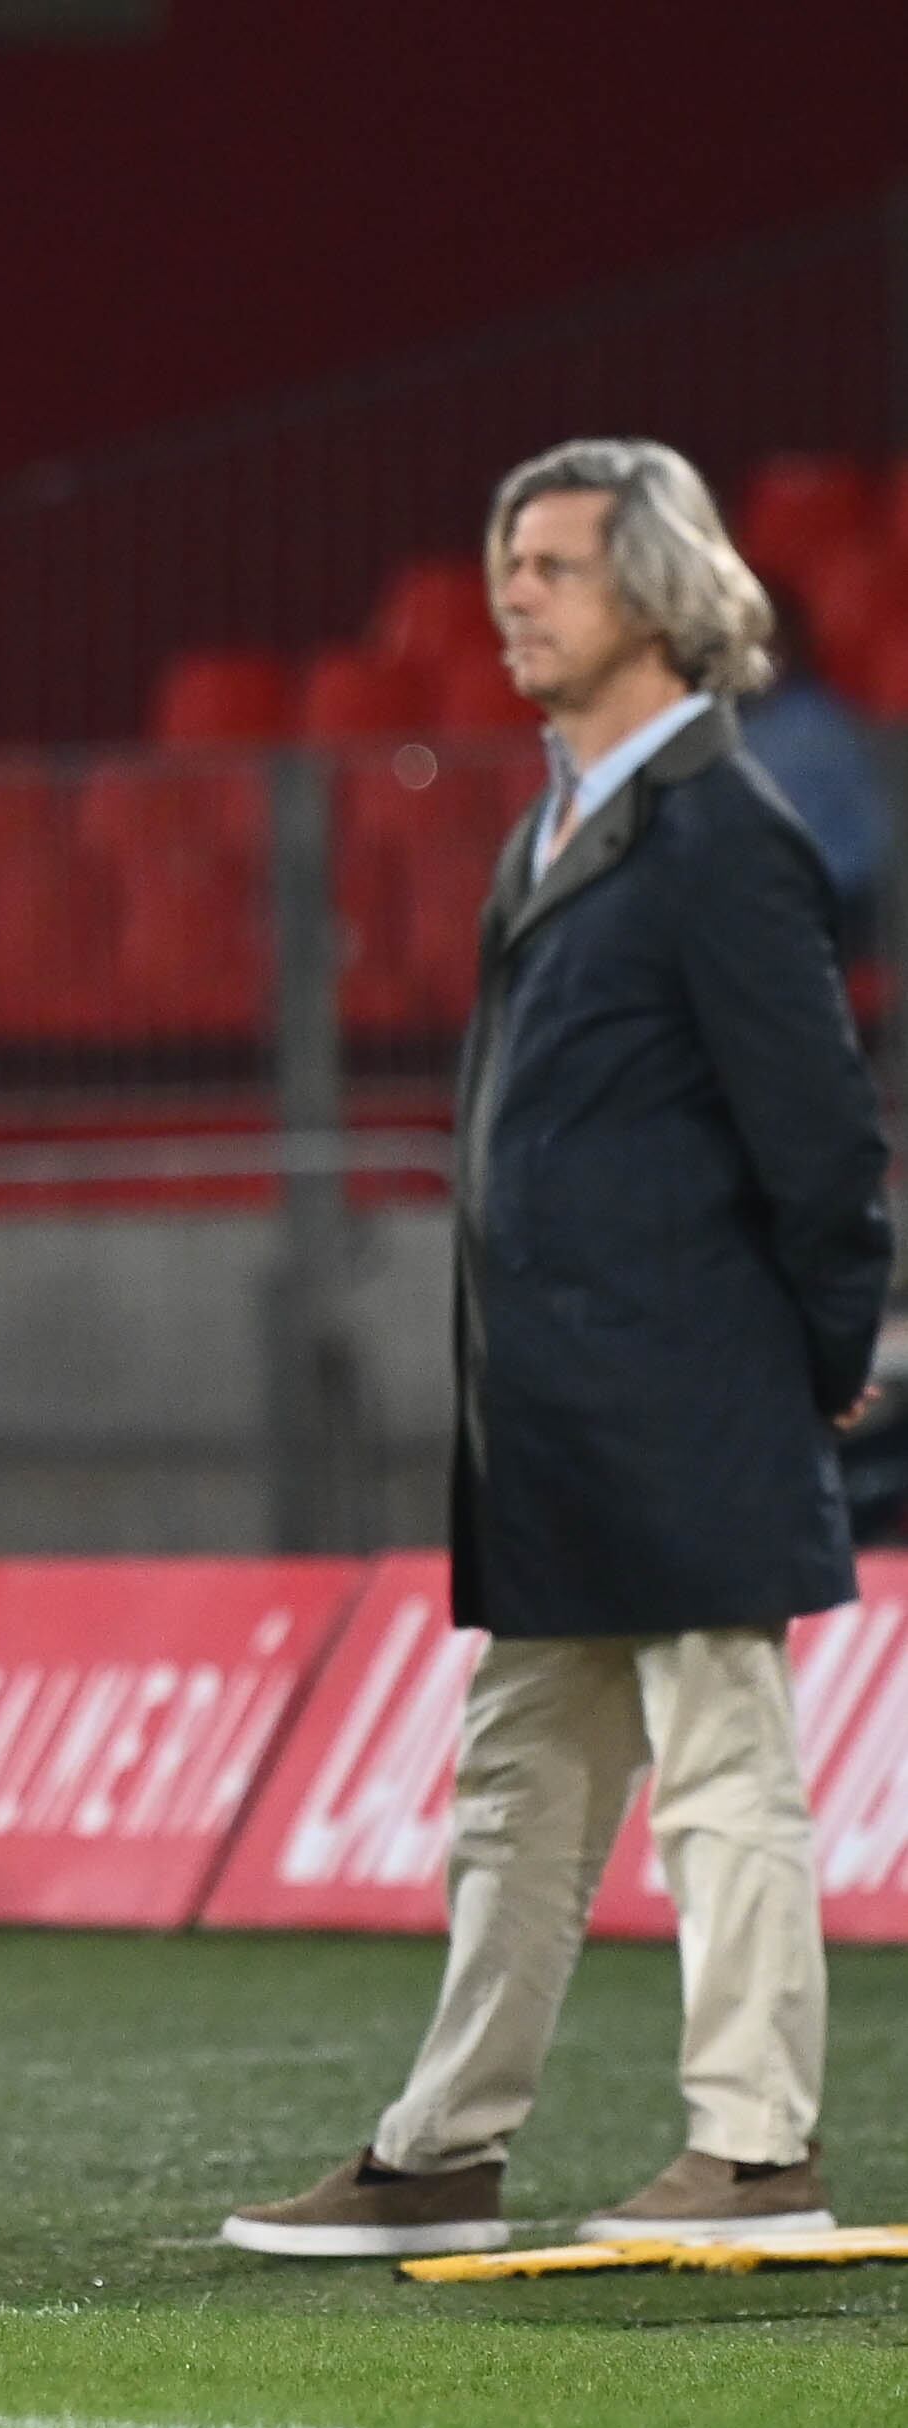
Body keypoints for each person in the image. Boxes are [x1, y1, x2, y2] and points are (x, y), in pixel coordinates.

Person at [225, 439, 888, 2259]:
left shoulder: (724, 830)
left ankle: (754, 2147)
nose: (510, 590)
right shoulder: (556, 823)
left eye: (554, 565)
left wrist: (827, 1342)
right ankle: (441, 2143)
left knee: (722, 1763)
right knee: (515, 1785)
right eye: (505, 559)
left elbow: (819, 1133)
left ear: (662, 596)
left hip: (687, 1378)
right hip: (559, 1406)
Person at [740, 576, 893, 931]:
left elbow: (870, 839)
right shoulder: (711, 725)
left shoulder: (822, 728)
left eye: (769, 644)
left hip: (824, 907)